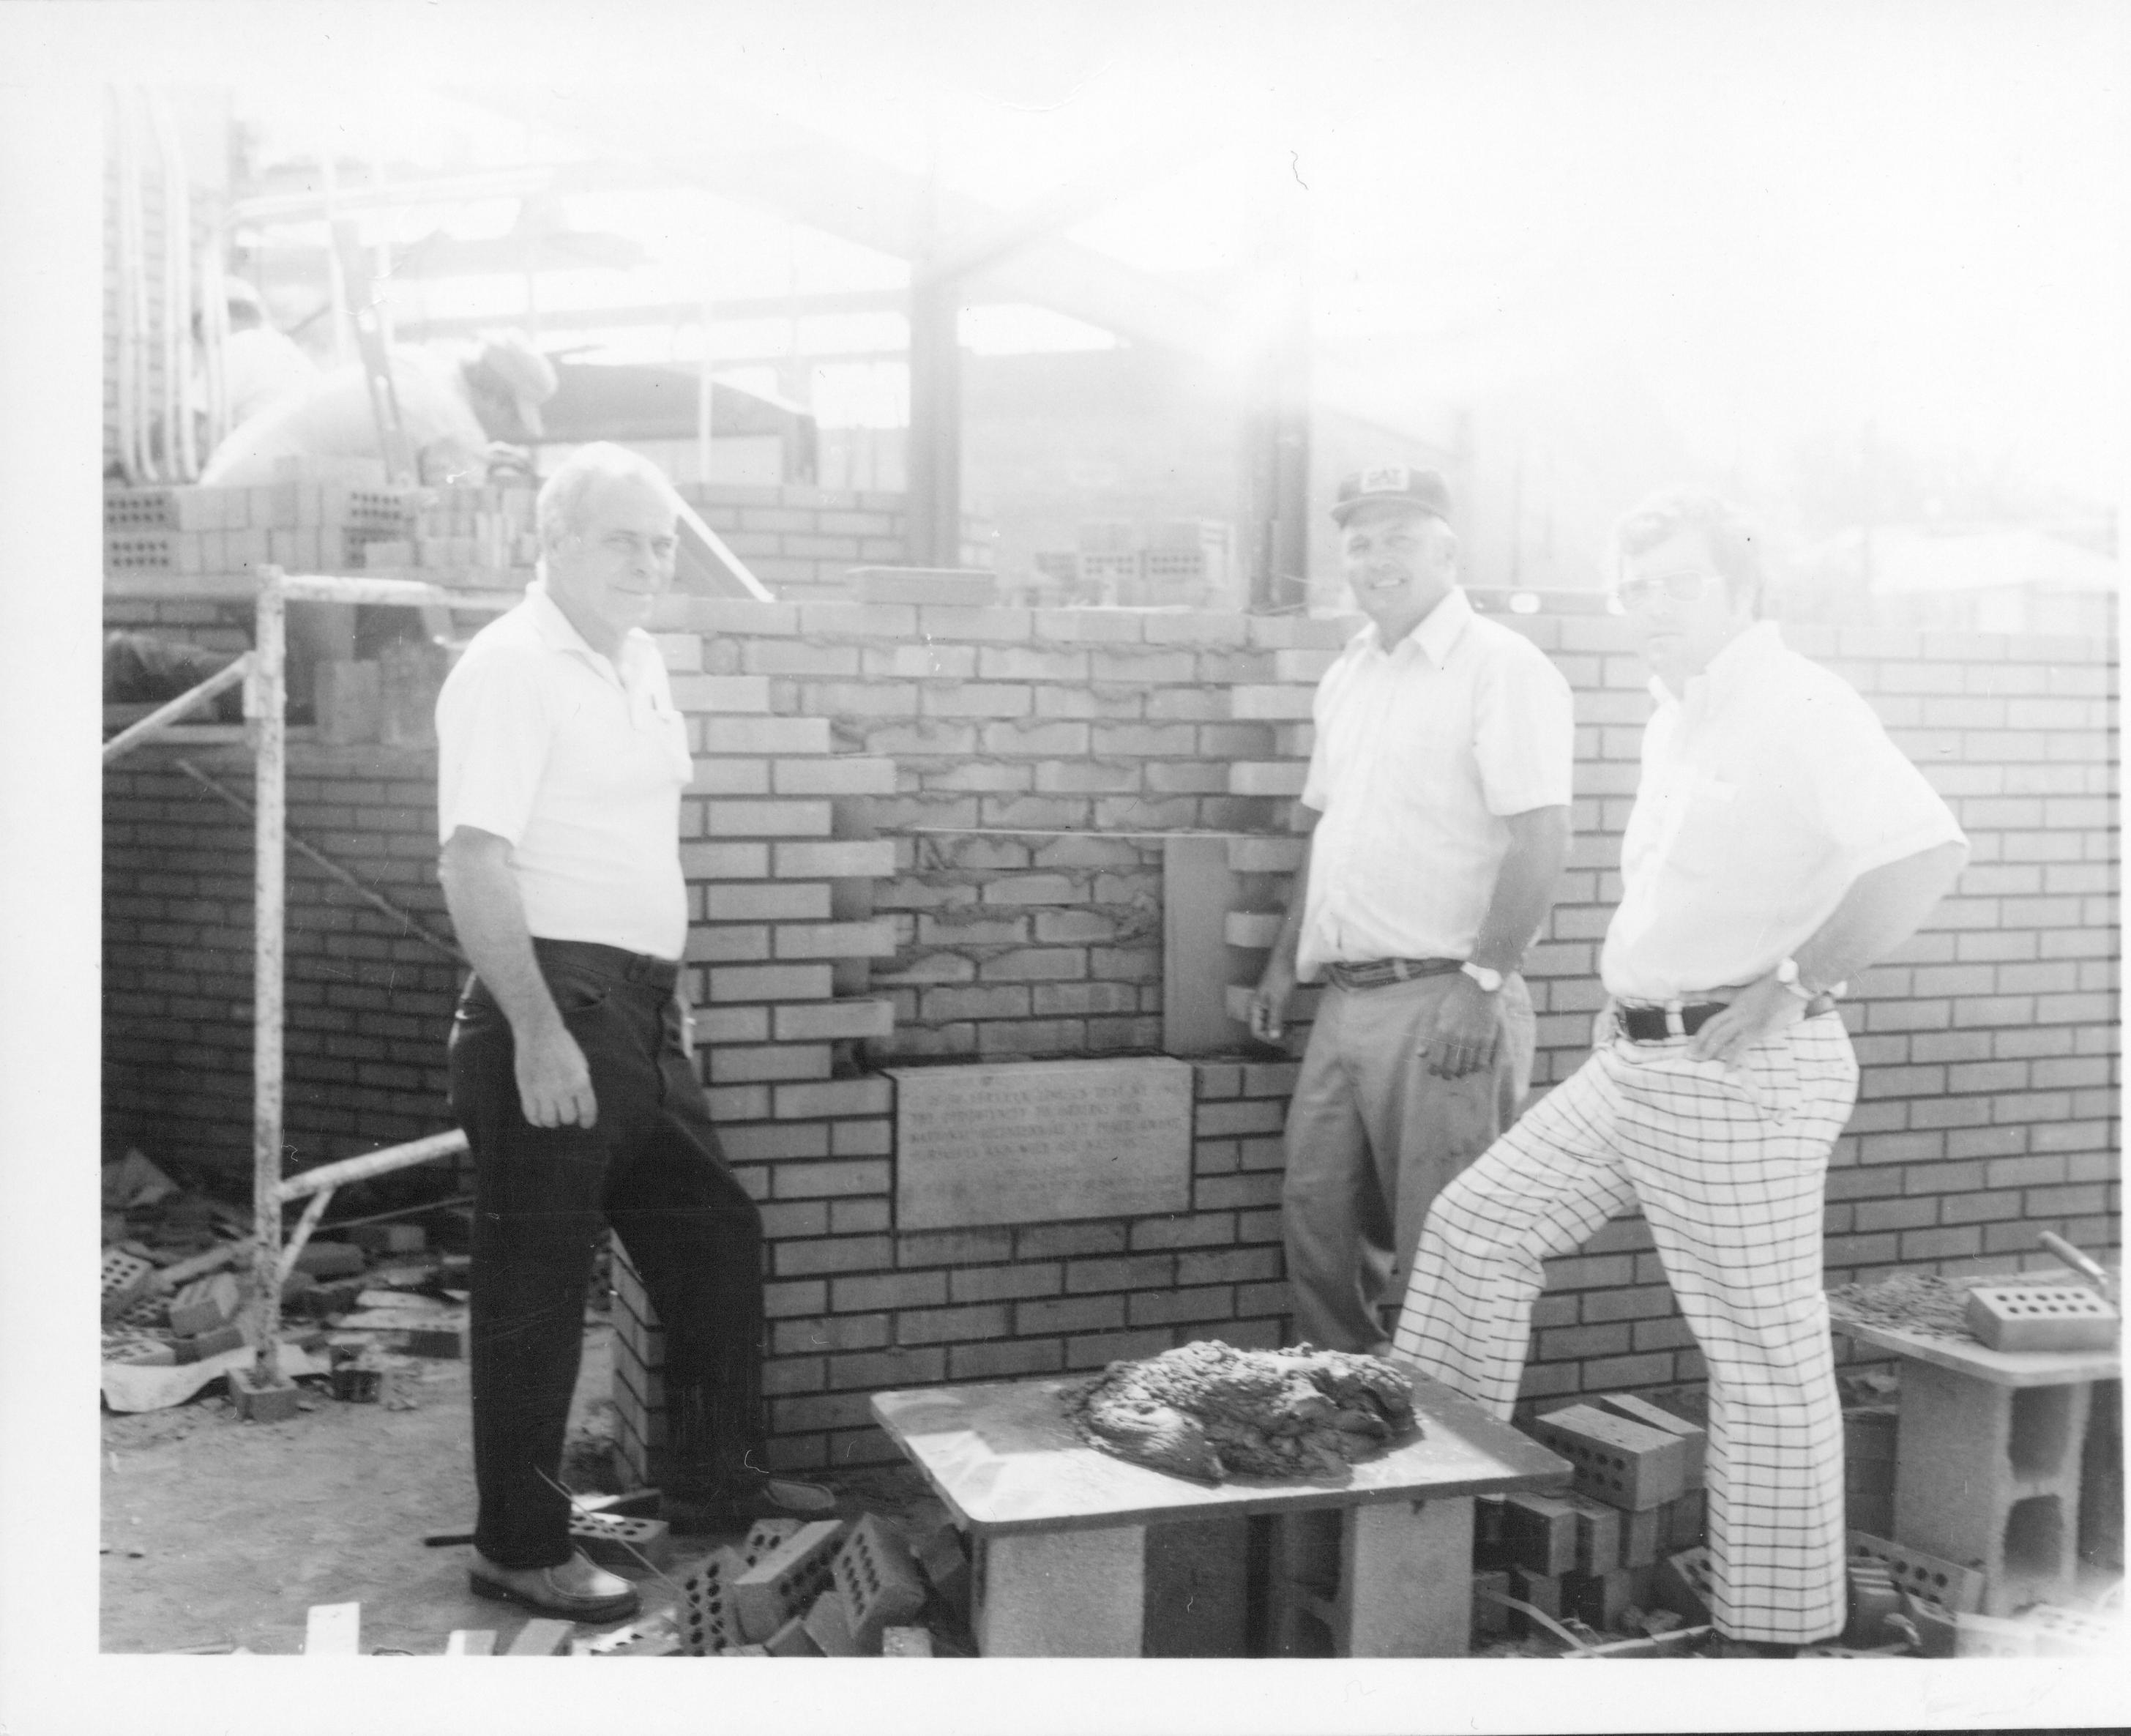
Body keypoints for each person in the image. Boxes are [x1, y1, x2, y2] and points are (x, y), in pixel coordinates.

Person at [1389, 489, 1968, 1656]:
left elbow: (1925, 851)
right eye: (1632, 586)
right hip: (1635, 1060)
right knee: (1475, 1226)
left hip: (1737, 1069)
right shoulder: (1676, 713)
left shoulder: (1801, 703)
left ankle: (1772, 1635)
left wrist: (1800, 977)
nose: (1644, 608)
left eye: (1672, 585)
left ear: (1739, 588)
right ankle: (1415, 1529)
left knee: (1760, 1351)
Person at [435, 442, 831, 1625]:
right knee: (534, 1293)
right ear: (549, 543)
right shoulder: (510, 666)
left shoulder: (639, 658)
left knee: (715, 1239)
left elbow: (632, 847)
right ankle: (519, 1545)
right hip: (551, 1012)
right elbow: (472, 861)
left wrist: (669, 998)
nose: (648, 563)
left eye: (662, 543)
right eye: (622, 539)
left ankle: (713, 1483)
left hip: (641, 1017)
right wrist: (538, 1032)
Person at [1249, 465, 1575, 1356]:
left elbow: (1540, 839)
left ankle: (1444, 1479)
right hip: (1345, 1001)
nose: (1376, 558)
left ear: (1447, 550)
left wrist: (1483, 981)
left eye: (1400, 538)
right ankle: (1353, 1456)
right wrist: (1284, 962)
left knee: (1447, 1254)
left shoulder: (1501, 668)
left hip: (1445, 1002)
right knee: (1320, 1235)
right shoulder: (1348, 673)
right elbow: (1327, 833)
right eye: (1360, 542)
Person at [200, 330, 557, 489]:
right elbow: (459, 505)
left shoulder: (424, 365)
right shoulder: (457, 422)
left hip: (225, 479)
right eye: (512, 416)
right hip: (262, 503)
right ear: (495, 393)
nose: (507, 428)